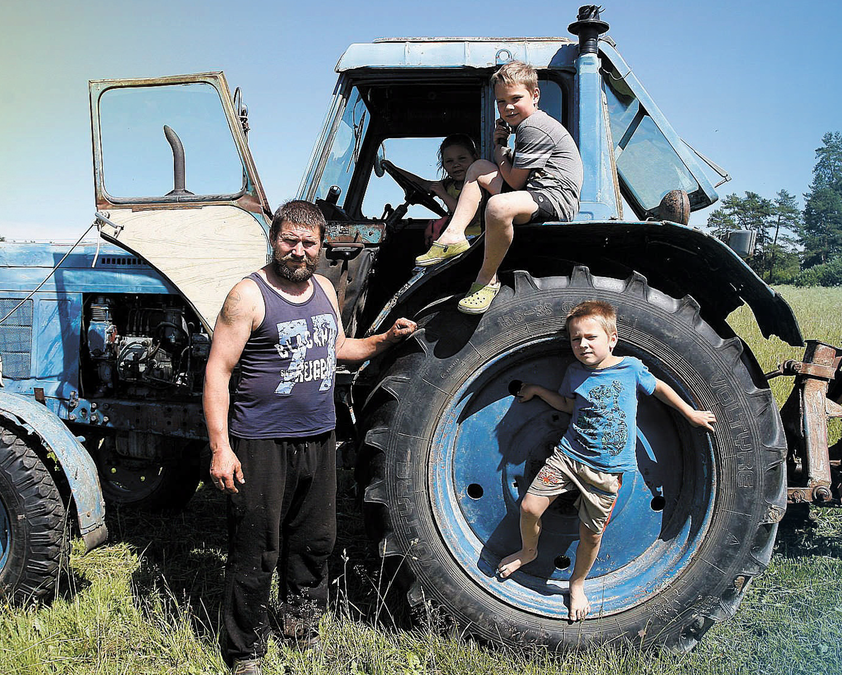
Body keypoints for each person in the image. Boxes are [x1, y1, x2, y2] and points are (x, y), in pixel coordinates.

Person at [203, 199, 416, 674]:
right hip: (261, 441)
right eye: (289, 241)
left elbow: (338, 347)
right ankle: (244, 651)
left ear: (321, 247)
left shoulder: (323, 288)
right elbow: (218, 372)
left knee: (314, 542)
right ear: (274, 240)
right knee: (256, 548)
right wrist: (221, 448)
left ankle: (299, 624)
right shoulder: (248, 295)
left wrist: (385, 341)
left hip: (319, 437)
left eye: (309, 243)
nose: (299, 251)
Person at [496, 300, 715, 621]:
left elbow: (661, 389)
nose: (582, 344)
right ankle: (528, 551)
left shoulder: (631, 368)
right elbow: (570, 406)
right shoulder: (573, 372)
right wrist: (539, 391)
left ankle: (577, 583)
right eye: (575, 339)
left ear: (611, 338)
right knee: (529, 507)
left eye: (591, 337)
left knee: (591, 534)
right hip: (567, 458)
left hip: (606, 472)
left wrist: (690, 412)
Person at [414, 60, 584, 315]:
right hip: (535, 191)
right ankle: (454, 236)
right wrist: (502, 144)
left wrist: (501, 147)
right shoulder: (524, 128)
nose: (508, 107)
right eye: (501, 102)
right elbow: (512, 175)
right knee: (479, 167)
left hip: (553, 197)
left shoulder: (534, 126)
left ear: (535, 95)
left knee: (497, 206)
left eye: (515, 98)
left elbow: (515, 180)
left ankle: (486, 280)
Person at [388, 134, 482, 244]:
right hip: (455, 238)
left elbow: (469, 219)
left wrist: (443, 195)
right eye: (449, 161)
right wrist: (394, 169)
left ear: (474, 158)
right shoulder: (448, 185)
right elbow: (422, 184)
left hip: (475, 240)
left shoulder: (478, 186)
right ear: (443, 165)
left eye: (462, 159)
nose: (456, 165)